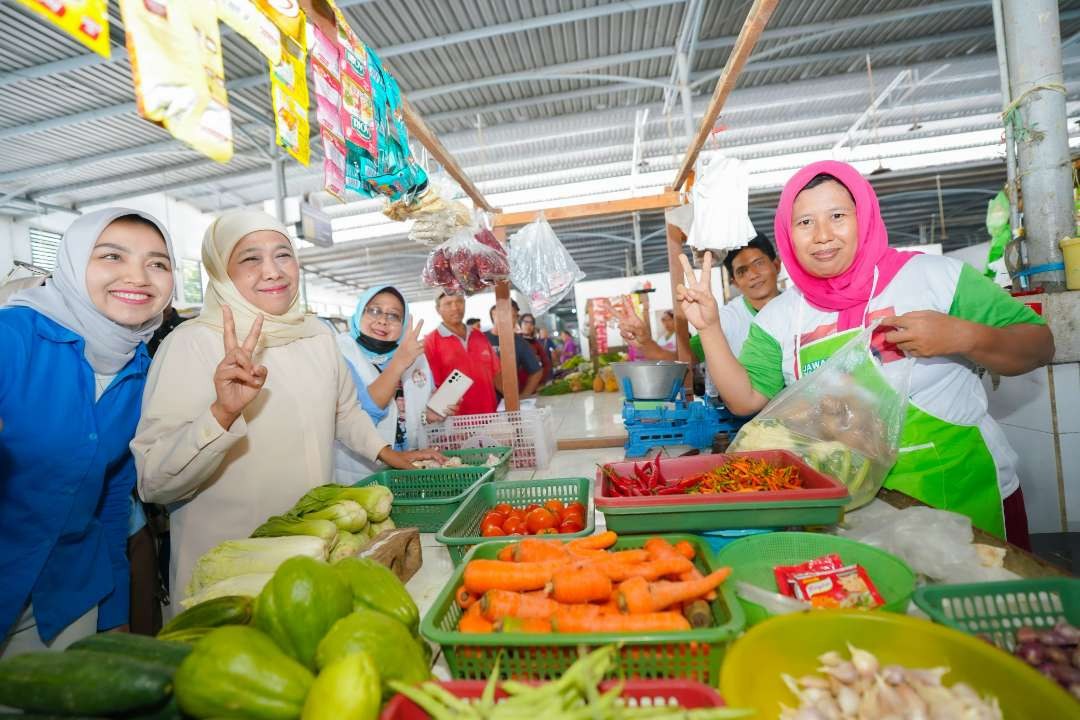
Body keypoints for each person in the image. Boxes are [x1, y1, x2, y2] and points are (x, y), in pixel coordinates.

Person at [680, 160, 1054, 544]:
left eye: (838, 215)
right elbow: (745, 400)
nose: (822, 235)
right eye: (804, 222)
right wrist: (708, 327)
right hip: (848, 513)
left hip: (962, 496)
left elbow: (1039, 345)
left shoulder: (935, 277)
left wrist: (963, 336)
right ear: (787, 235)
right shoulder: (779, 318)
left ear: (865, 216)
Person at [132, 211, 440, 609]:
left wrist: (388, 454)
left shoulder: (317, 336)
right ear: (220, 270)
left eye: (283, 255)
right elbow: (155, 481)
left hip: (318, 554)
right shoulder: (191, 345)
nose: (273, 272)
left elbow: (344, 412)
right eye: (250, 259)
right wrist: (222, 414)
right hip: (233, 578)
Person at [1, 209, 176, 654]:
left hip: (68, 601)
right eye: (112, 256)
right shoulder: (13, 337)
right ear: (74, 263)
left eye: (158, 263)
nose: (138, 277)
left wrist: (113, 615)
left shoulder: (143, 375)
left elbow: (111, 508)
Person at [334, 285, 457, 483]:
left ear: (404, 323)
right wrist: (399, 363)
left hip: (409, 468)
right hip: (360, 475)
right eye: (374, 310)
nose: (382, 320)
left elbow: (408, 414)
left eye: (393, 315)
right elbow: (358, 416)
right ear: (359, 312)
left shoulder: (415, 356)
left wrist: (428, 415)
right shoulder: (341, 352)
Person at [617, 234, 782, 364]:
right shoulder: (723, 320)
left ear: (776, 265)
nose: (753, 275)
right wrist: (646, 343)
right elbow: (684, 359)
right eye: (742, 271)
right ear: (735, 283)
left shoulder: (800, 306)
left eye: (759, 263)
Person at [424, 292, 501, 415]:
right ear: (438, 309)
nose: (455, 307)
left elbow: (496, 375)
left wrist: (515, 398)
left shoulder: (479, 336)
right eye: (448, 303)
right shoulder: (430, 342)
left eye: (459, 301)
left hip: (489, 416)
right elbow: (430, 388)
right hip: (455, 424)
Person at [486, 301, 543, 397]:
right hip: (482, 404)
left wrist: (524, 395)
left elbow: (536, 371)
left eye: (515, 316)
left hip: (507, 404)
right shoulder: (480, 339)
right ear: (494, 314)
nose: (512, 320)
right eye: (508, 315)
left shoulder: (519, 342)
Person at [519, 312, 552, 384]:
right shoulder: (514, 341)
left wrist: (541, 380)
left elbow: (546, 363)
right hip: (516, 384)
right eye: (525, 323)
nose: (528, 325)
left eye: (531, 323)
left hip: (533, 384)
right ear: (520, 324)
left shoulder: (537, 344)